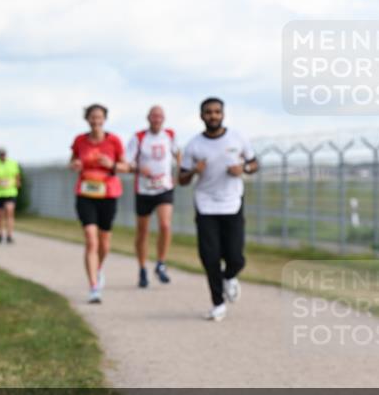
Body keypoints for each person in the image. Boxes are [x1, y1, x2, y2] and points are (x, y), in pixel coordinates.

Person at [179, 97, 258, 321]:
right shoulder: (194, 145)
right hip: (206, 205)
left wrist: (243, 168)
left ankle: (230, 277)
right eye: (208, 112)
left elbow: (254, 164)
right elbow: (181, 179)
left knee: (236, 257)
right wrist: (194, 170)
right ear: (201, 115)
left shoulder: (238, 138)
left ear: (222, 114)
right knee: (209, 257)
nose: (213, 116)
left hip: (232, 202)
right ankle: (217, 302)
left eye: (216, 112)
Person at [70, 104, 129, 303]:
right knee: (91, 239)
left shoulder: (114, 141)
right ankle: (94, 286)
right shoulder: (80, 140)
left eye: (99, 117)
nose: (96, 120)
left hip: (108, 194)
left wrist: (111, 165)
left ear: (104, 119)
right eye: (92, 117)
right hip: (85, 193)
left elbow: (126, 166)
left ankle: (99, 268)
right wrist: (76, 165)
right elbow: (72, 162)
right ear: (87, 119)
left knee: (104, 243)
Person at [126, 105, 180, 288]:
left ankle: (161, 263)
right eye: (153, 116)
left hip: (164, 187)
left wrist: (179, 171)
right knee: (143, 231)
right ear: (148, 118)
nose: (157, 119)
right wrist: (139, 168)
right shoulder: (139, 137)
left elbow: (178, 153)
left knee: (165, 225)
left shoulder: (170, 135)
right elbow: (127, 163)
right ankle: (142, 268)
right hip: (144, 189)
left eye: (160, 116)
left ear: (164, 118)